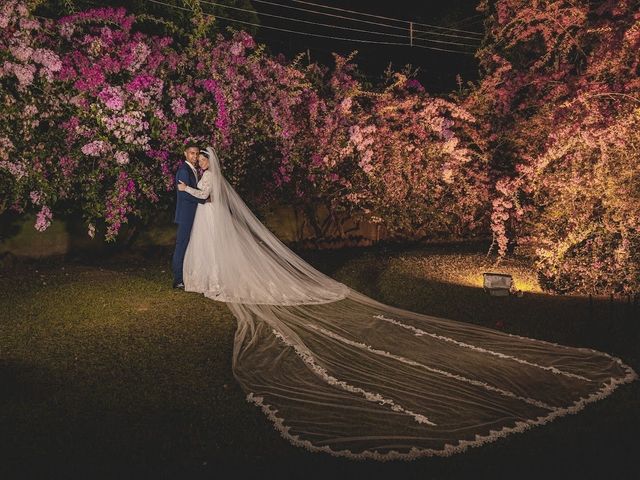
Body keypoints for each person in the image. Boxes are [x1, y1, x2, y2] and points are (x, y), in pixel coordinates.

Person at [175, 146, 637, 460]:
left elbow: (203, 196)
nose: (197, 159)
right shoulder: (207, 173)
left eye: (200, 155)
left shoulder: (208, 177)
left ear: (206, 159)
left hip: (209, 221)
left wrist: (186, 189)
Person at [171, 143, 206, 289]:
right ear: (185, 154)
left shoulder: (193, 170)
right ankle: (178, 279)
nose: (195, 156)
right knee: (181, 245)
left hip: (192, 213)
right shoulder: (184, 170)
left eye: (197, 153)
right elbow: (184, 194)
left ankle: (188, 274)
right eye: (192, 153)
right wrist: (203, 199)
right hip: (186, 214)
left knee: (190, 244)